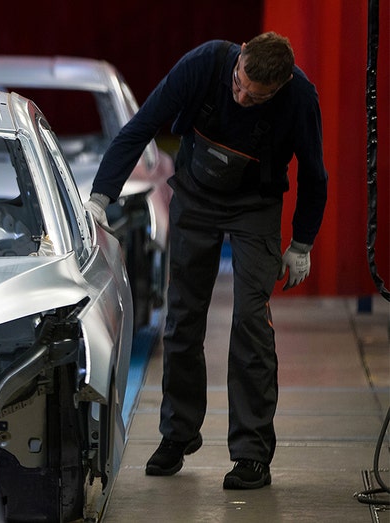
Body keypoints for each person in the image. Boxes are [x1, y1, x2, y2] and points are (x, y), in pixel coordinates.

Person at [86, 32, 328, 489]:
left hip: (256, 205)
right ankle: (177, 436)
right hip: (196, 195)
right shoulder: (203, 64)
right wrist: (101, 196)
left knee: (252, 324)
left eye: (253, 97)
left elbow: (315, 174)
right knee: (182, 316)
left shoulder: (299, 97)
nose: (240, 96)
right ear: (239, 61)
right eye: (238, 84)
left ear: (276, 89)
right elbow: (141, 127)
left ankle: (252, 454)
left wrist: (301, 244)